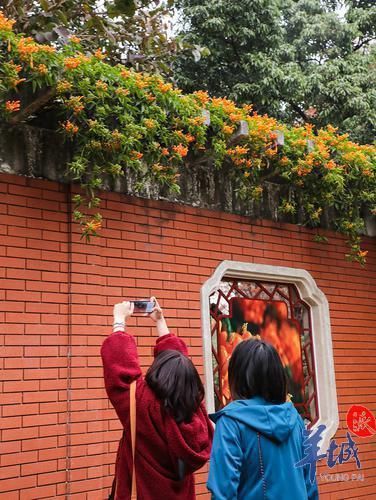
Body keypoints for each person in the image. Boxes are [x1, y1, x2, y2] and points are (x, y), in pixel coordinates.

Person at [101, 298, 213, 500]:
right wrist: (160, 322)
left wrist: (119, 321)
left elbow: (119, 371)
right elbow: (178, 365)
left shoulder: (142, 404)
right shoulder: (194, 410)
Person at [207, 339, 319, 500]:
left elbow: (223, 492)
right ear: (277, 375)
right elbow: (310, 485)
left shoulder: (231, 422)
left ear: (237, 375)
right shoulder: (296, 420)